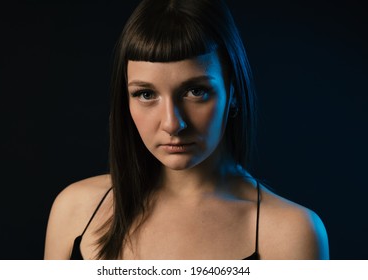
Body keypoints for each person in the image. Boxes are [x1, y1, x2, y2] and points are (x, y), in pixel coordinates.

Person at [44, 0, 329, 260]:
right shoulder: (75, 210)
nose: (172, 123)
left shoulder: (290, 233)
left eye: (196, 91)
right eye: (145, 94)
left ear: (233, 92)